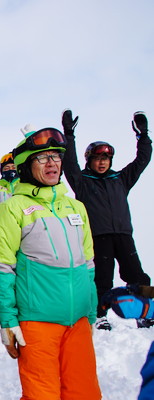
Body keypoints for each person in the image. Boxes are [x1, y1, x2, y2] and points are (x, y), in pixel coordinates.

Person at [0, 126, 102, 400]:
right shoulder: (12, 210)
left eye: (56, 157)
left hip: (78, 322)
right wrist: (8, 321)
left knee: (85, 398)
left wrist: (92, 311)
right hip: (37, 323)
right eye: (43, 158)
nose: (53, 164)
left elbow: (89, 263)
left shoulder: (75, 206)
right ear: (26, 164)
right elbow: (2, 270)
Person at [60, 110, 153, 330]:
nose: (102, 163)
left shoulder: (120, 179)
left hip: (123, 235)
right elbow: (69, 164)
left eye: (105, 159)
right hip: (98, 237)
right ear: (89, 161)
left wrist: (143, 135)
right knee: (101, 278)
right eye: (97, 159)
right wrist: (68, 135)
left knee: (137, 275)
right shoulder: (82, 182)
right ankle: (100, 314)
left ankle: (144, 312)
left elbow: (142, 160)